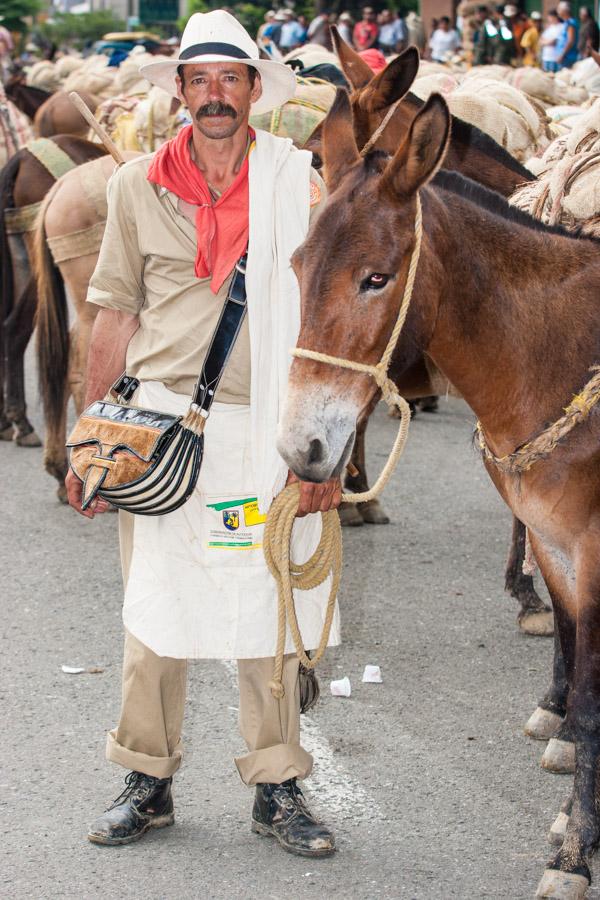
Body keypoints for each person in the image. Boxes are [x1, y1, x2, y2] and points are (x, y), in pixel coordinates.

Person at [68, 9, 341, 858]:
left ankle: (278, 786)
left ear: (256, 90)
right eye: (199, 80)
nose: (215, 96)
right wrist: (88, 439)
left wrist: (326, 450)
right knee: (155, 610)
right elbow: (113, 314)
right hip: (156, 430)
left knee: (271, 608)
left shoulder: (298, 183)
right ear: (180, 92)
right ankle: (146, 780)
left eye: (231, 79)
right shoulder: (133, 186)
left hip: (269, 431)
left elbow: (334, 326)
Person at [556, 0, 579, 66]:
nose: (558, 11)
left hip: (567, 58)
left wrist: (561, 55)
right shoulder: (567, 22)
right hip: (565, 57)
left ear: (564, 11)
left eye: (559, 9)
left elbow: (570, 41)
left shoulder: (570, 23)